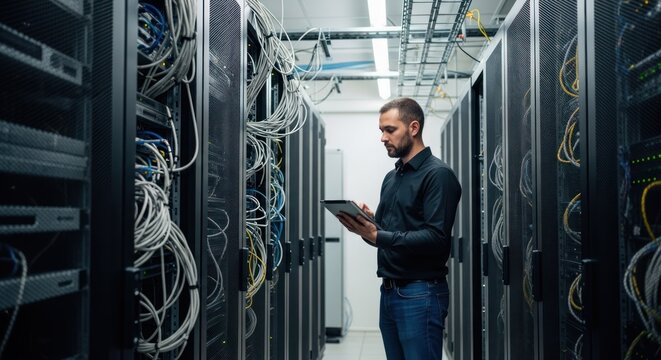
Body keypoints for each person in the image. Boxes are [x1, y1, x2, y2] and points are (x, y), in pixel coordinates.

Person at [336, 97, 461, 360]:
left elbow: (436, 238)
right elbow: (383, 237)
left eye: (389, 130)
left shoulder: (438, 175)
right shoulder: (392, 178)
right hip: (390, 292)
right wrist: (366, 226)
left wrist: (377, 233)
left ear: (413, 128)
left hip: (421, 293)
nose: (383, 137)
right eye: (381, 130)